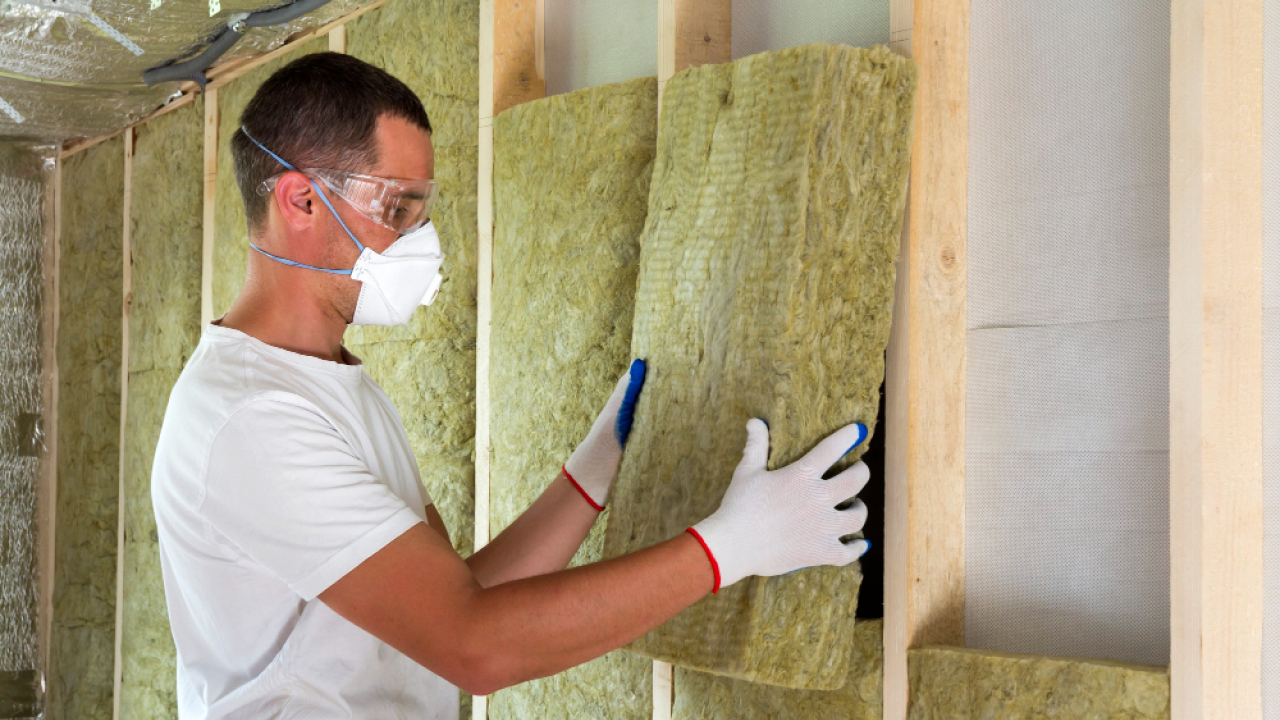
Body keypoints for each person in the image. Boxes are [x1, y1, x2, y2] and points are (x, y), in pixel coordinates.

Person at [150, 52, 872, 720]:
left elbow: (461, 596)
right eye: (396, 208)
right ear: (300, 201)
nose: (420, 238)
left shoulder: (332, 383)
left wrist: (589, 478)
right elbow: (473, 645)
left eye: (421, 209)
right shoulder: (249, 419)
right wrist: (726, 550)